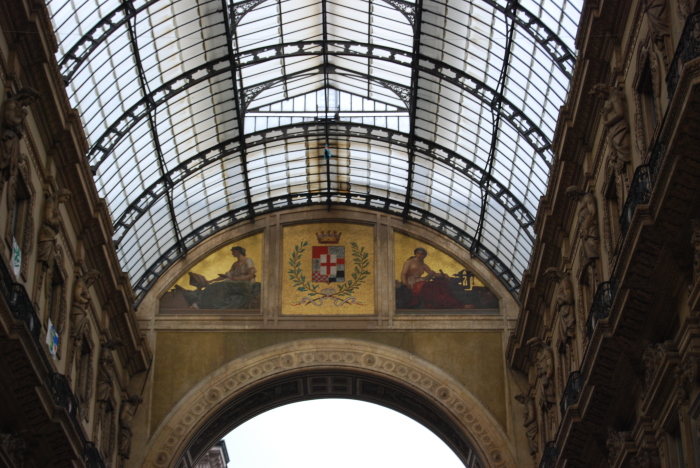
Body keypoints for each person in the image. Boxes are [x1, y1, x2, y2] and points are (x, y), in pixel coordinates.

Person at [181, 246, 260, 309]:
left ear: (238, 251)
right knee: (215, 285)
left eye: (233, 252)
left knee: (223, 285)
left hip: (245, 283)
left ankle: (199, 304)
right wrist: (211, 281)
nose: (232, 253)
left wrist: (237, 279)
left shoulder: (248, 261)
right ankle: (200, 303)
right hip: (235, 282)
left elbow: (251, 275)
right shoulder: (235, 264)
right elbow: (225, 276)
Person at [399, 247, 472, 309]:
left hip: (421, 282)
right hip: (412, 283)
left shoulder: (423, 265)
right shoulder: (409, 262)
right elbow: (403, 274)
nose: (420, 255)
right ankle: (458, 305)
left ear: (424, 256)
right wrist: (405, 283)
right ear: (415, 253)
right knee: (431, 288)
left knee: (441, 284)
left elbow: (434, 274)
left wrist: (443, 275)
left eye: (422, 254)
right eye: (418, 253)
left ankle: (455, 304)